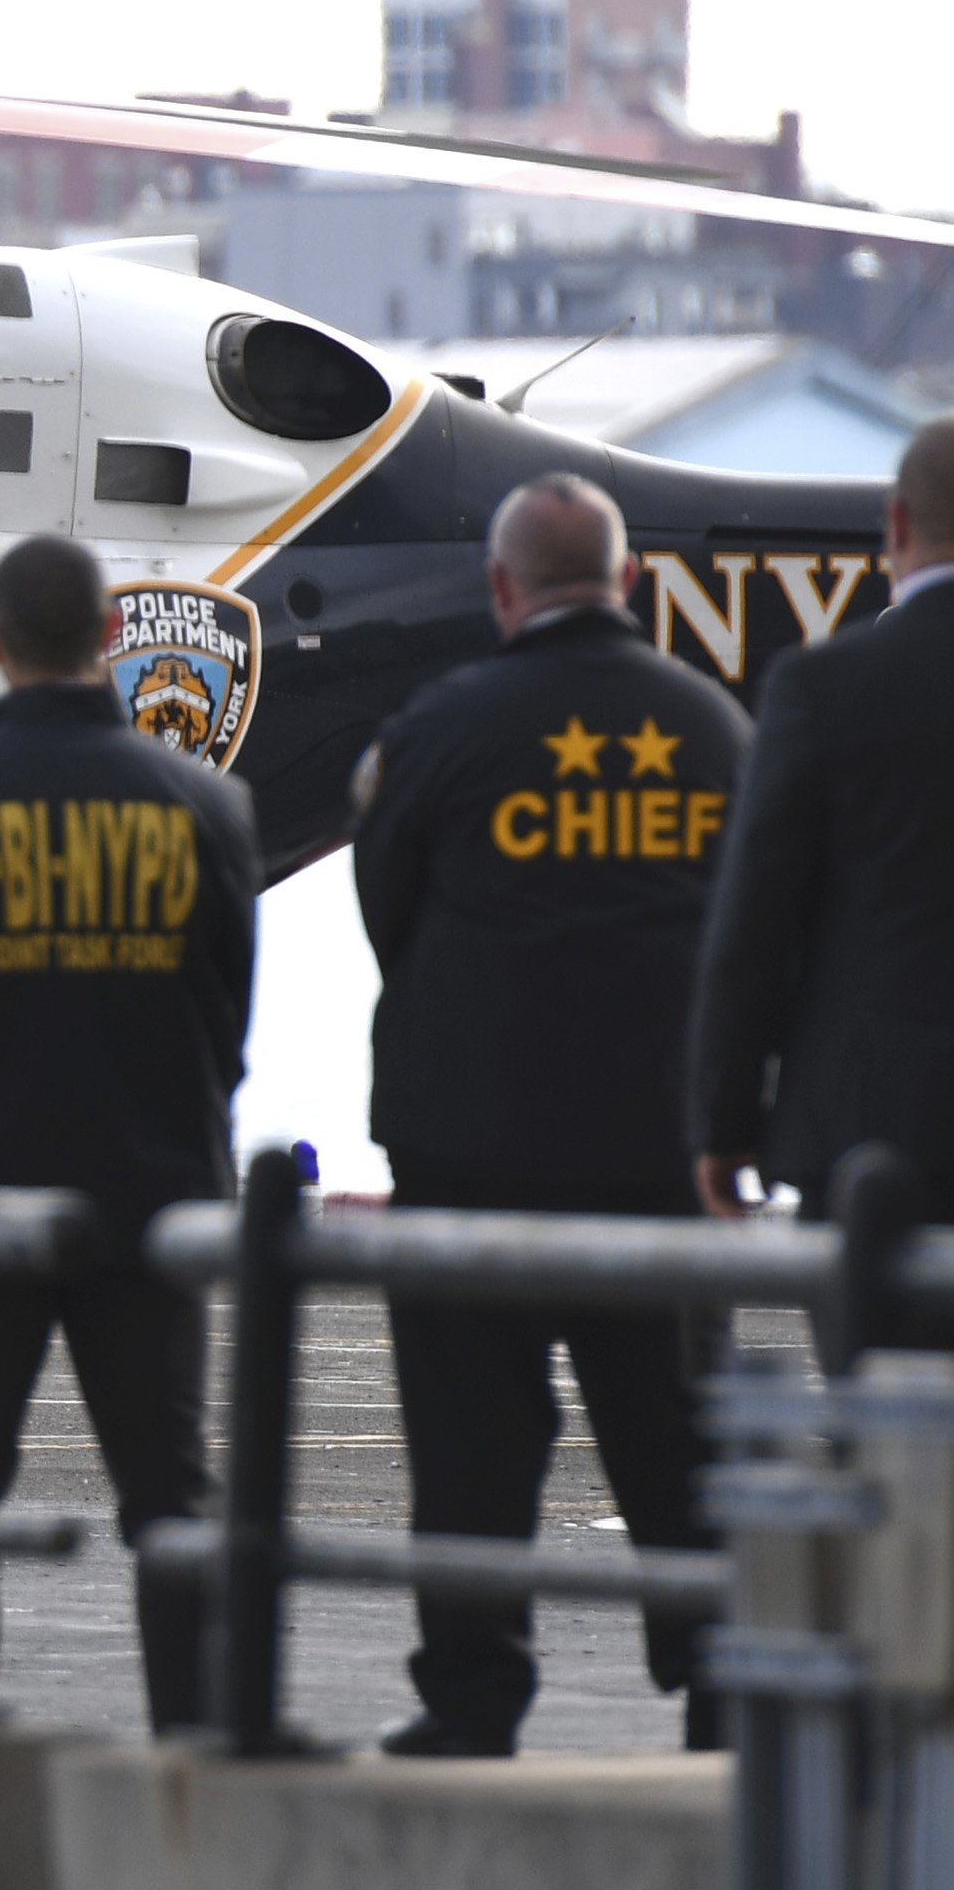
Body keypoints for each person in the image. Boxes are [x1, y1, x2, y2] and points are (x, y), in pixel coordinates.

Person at [354, 475, 747, 1758]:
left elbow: (387, 909)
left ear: (500, 586)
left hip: (471, 1145)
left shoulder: (439, 724)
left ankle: (472, 1695)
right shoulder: (715, 729)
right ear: (628, 582)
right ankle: (719, 1682)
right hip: (660, 1146)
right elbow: (757, 941)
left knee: (468, 1447)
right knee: (678, 1435)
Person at [0, 534, 257, 1734]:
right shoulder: (206, 803)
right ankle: (198, 1728)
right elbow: (221, 1012)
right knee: (170, 1488)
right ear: (109, 641)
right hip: (152, 1183)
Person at [692, 418, 954, 1245]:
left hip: (868, 1131)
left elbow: (755, 926)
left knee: (877, 1372)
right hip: (867, 1129)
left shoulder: (819, 687)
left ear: (897, 526)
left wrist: (724, 1120)